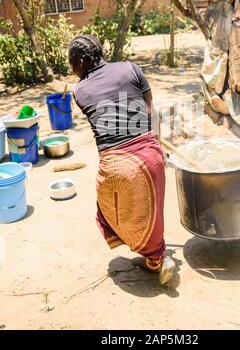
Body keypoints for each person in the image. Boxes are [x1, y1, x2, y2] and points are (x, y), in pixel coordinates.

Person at [68, 34, 175, 284]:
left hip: (117, 164)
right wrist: (158, 148)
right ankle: (155, 256)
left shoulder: (79, 91)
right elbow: (150, 112)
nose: (71, 69)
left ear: (82, 61)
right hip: (151, 156)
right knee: (153, 210)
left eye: (72, 63)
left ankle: (156, 257)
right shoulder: (131, 67)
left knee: (111, 209)